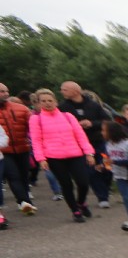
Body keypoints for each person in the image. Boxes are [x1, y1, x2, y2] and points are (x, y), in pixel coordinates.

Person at [29, 88, 94, 222]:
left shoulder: (68, 116)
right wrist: (41, 159)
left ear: (56, 102)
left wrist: (88, 153)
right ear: (39, 103)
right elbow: (36, 141)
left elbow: (80, 135)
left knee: (83, 182)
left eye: (50, 100)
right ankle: (75, 210)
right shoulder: (36, 119)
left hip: (75, 154)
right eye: (43, 101)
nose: (47, 103)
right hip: (54, 157)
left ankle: (81, 203)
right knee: (66, 184)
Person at [58, 81, 112, 207]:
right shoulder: (62, 107)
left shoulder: (93, 105)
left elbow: (107, 121)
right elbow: (59, 125)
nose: (61, 92)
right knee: (91, 171)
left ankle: (107, 187)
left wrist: (92, 123)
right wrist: (76, 126)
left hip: (99, 142)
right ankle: (102, 197)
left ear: (75, 91)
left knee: (108, 167)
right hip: (80, 145)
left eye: (65, 89)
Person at [0, 82, 37, 216]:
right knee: (13, 176)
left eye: (6, 91)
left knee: (23, 176)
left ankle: (24, 200)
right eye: (2, 91)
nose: (5, 94)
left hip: (23, 148)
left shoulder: (21, 108)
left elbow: (33, 127)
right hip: (4, 151)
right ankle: (24, 202)